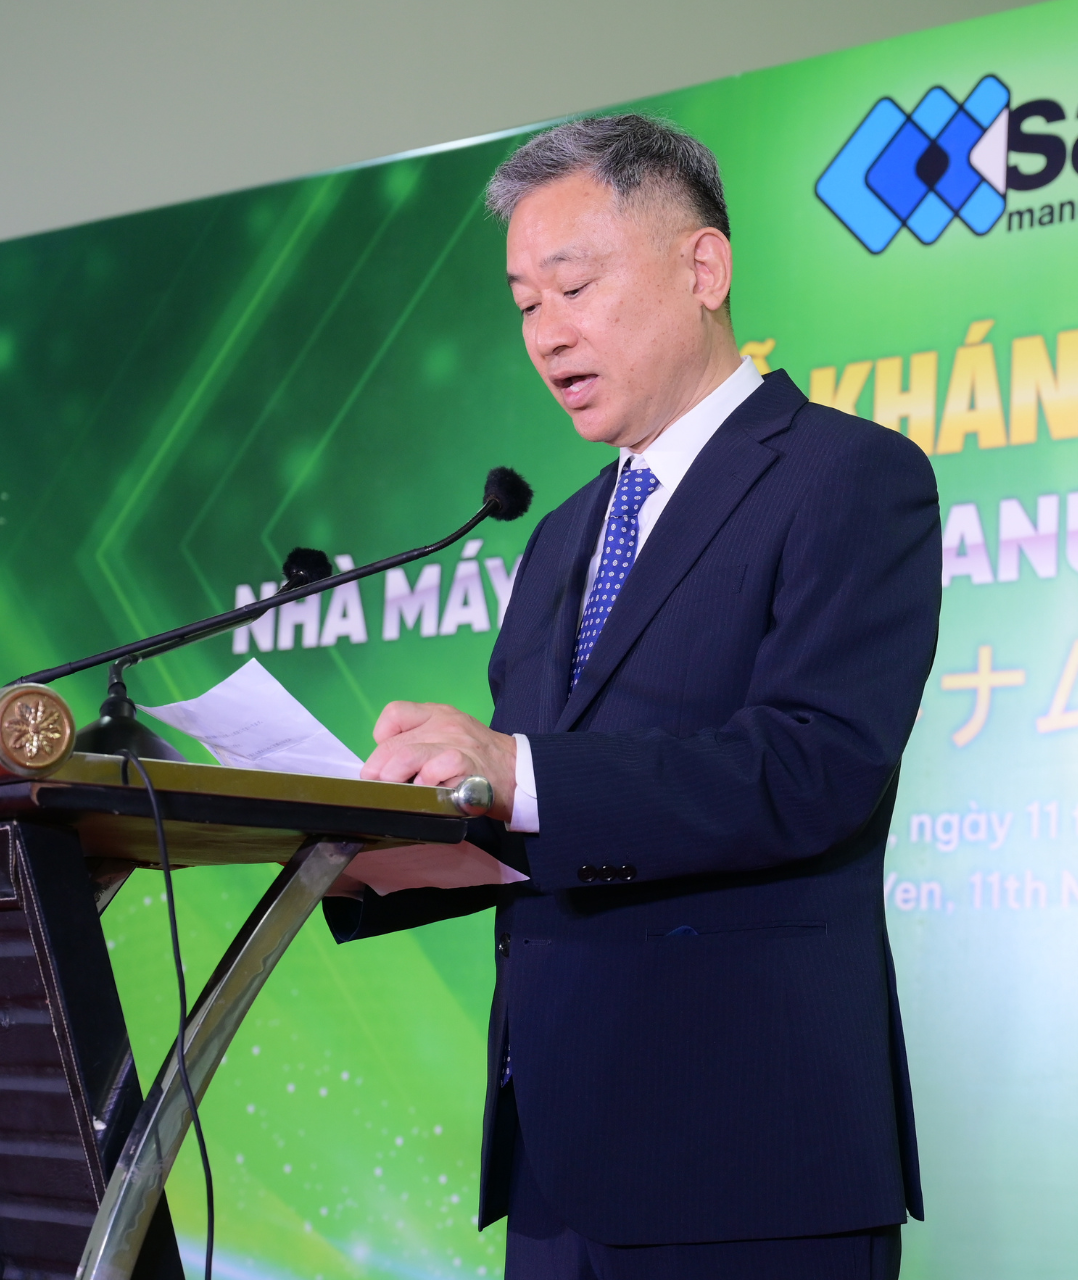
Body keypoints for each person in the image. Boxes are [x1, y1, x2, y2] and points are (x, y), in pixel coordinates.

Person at [322, 114, 941, 1280]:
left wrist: (515, 769)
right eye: (524, 305)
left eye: (574, 287)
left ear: (702, 268)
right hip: (556, 1160)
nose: (547, 334)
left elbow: (816, 766)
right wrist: (352, 838)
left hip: (751, 1156)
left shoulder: (848, 476)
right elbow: (544, 822)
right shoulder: (556, 537)